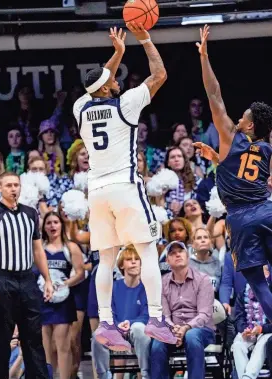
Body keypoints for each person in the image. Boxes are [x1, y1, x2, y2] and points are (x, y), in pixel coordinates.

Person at [73, 24, 177, 350]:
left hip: (97, 191)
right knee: (146, 250)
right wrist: (144, 38)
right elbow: (159, 75)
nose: (117, 81)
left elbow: (100, 83)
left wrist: (118, 53)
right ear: (105, 89)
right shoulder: (125, 105)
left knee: (106, 258)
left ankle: (105, 322)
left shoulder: (80, 108)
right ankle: (157, 317)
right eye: (113, 80)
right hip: (125, 186)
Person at [196, 25, 272, 320]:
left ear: (250, 126)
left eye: (244, 117)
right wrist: (217, 160)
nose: (239, 118)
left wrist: (204, 57)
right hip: (266, 210)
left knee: (258, 284)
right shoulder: (266, 147)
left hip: (241, 217)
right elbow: (243, 171)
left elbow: (213, 93)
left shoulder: (231, 135)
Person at [0, 171, 53, 379]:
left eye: (16, 185)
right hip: (1, 280)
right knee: (2, 340)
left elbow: (38, 250)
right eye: (8, 185)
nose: (13, 189)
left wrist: (47, 279)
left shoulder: (30, 213)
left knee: (33, 337)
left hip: (26, 279)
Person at [150, 241, 215, 379]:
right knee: (157, 343)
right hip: (173, 329)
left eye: (180, 251)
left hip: (201, 330)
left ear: (188, 255)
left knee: (192, 336)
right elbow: (165, 315)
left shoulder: (203, 280)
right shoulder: (162, 283)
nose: (177, 254)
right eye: (172, 253)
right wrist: (174, 329)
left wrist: (186, 328)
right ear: (167, 260)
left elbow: (204, 314)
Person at [92, 246, 151, 379]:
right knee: (97, 335)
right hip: (116, 328)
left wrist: (130, 323)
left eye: (137, 259)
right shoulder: (113, 287)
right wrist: (117, 325)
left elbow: (147, 314)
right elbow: (107, 312)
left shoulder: (147, 287)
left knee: (139, 329)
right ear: (121, 265)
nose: (134, 262)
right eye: (129, 259)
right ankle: (103, 375)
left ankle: (146, 374)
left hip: (137, 329)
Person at [39, 211, 84, 379]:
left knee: (63, 346)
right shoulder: (38, 247)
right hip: (42, 300)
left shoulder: (71, 247)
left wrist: (64, 284)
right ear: (44, 227)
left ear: (61, 225)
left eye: (56, 222)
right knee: (45, 347)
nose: (52, 226)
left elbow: (80, 273)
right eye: (49, 223)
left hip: (63, 302)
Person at [231, 266, 272, 379]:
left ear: (268, 274)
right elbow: (238, 317)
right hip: (249, 331)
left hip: (266, 331)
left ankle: (248, 376)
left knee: (263, 343)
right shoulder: (243, 291)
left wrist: (262, 329)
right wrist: (245, 329)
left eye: (261, 271)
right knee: (238, 345)